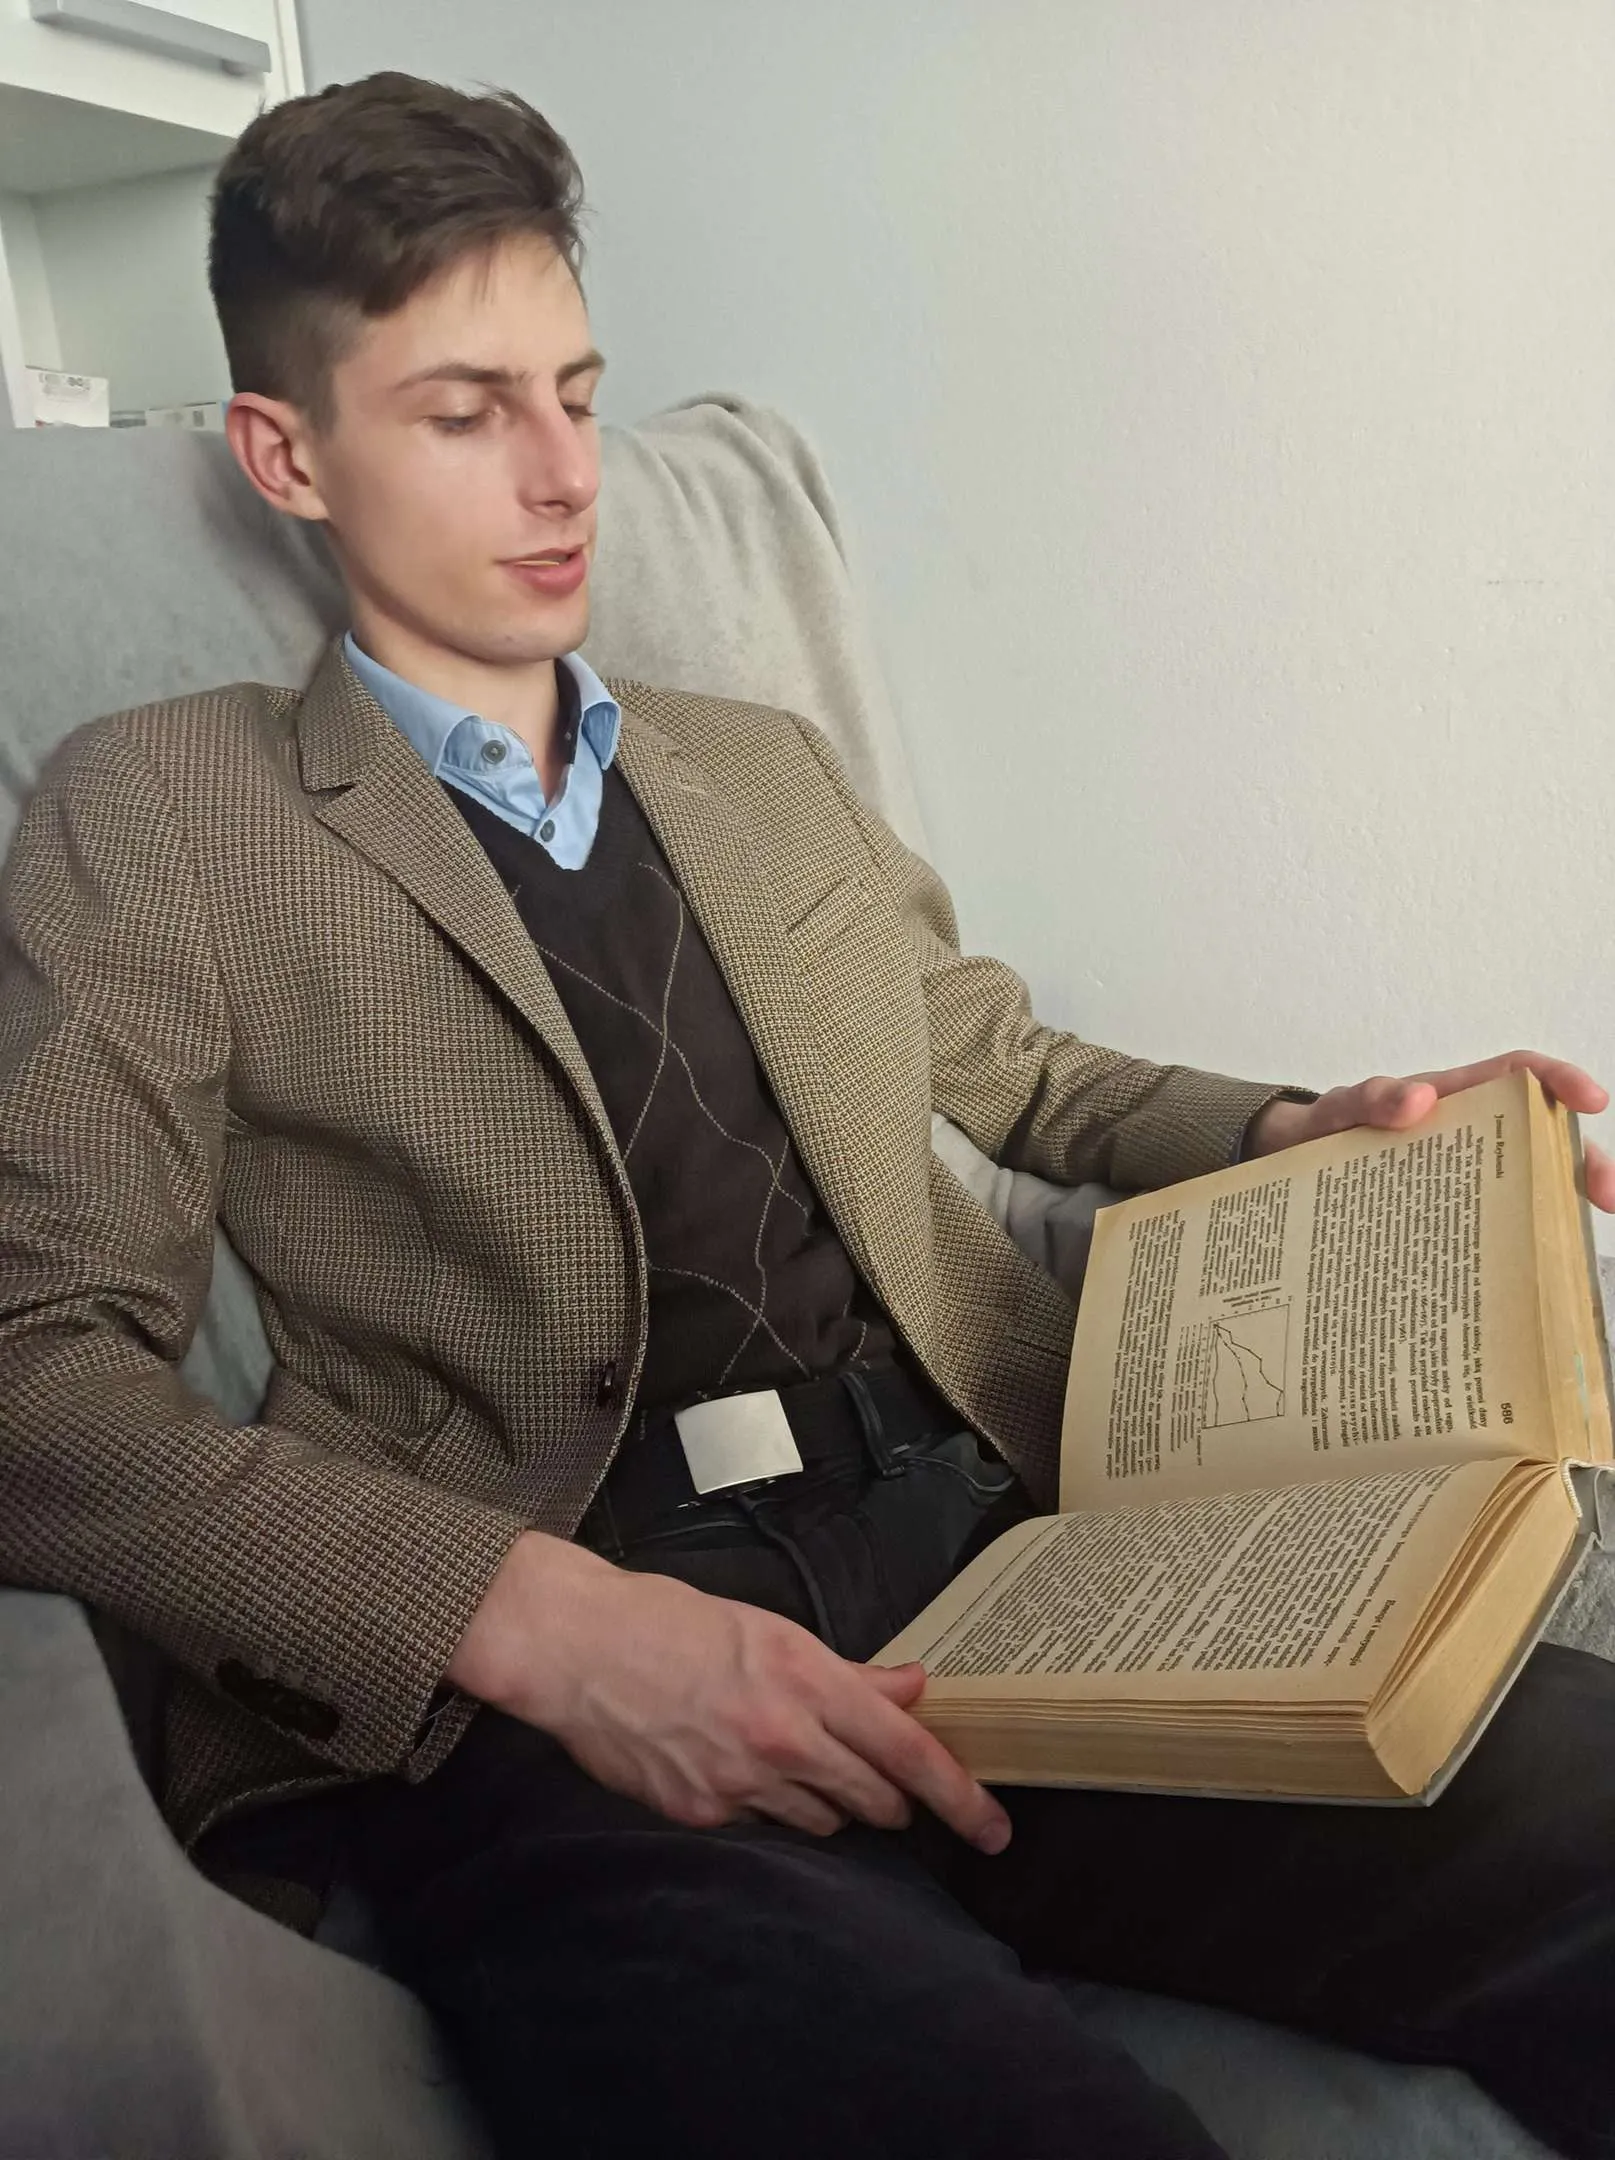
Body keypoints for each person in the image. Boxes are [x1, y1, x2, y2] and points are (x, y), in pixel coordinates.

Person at [2, 69, 1613, 2160]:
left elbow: (1004, 1063)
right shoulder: (163, 808)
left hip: (1005, 1559)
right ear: (285, 454)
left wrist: (1302, 1125)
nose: (564, 476)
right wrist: (538, 1627)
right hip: (571, 1646)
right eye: (467, 414)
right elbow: (35, 1372)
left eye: (580, 395)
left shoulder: (753, 763)